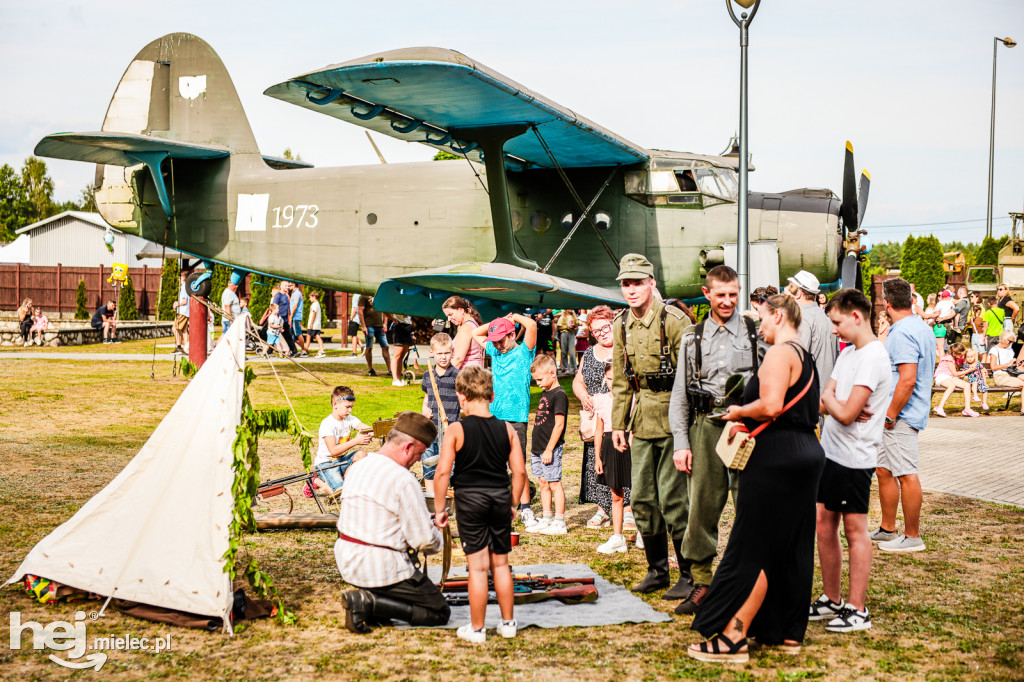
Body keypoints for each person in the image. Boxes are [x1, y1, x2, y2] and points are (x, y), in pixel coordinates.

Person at [687, 294, 824, 663]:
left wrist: (737, 412)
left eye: (761, 318)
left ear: (778, 315)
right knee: (791, 548)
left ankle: (733, 635)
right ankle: (786, 632)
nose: (758, 326)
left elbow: (773, 405)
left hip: (776, 459)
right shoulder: (805, 356)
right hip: (804, 453)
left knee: (754, 547)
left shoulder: (780, 354)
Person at [669, 265, 758, 614]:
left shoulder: (755, 332)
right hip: (705, 427)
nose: (727, 301)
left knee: (749, 505)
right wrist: (681, 442)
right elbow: (679, 393)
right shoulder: (693, 336)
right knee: (701, 507)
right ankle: (702, 582)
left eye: (733, 294)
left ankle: (746, 581)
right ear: (707, 294)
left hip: (745, 427)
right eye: (720, 295)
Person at [810, 289, 891, 634]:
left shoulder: (873, 357)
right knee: (824, 523)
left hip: (855, 459)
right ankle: (832, 599)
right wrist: (834, 401)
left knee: (855, 531)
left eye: (837, 322)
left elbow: (842, 412)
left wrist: (834, 400)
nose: (833, 330)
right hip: (830, 454)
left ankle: (858, 609)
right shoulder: (848, 355)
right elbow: (824, 405)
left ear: (856, 316)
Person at [610, 254, 690, 599]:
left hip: (673, 419)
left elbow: (691, 377)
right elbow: (620, 381)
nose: (631, 290)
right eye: (626, 284)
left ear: (651, 283)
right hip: (641, 420)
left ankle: (688, 573)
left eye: (637, 282)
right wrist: (617, 424)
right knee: (642, 498)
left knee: (674, 500)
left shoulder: (674, 320)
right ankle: (657, 570)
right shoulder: (620, 325)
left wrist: (688, 428)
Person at [432, 367, 528, 643]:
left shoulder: (456, 430)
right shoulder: (507, 428)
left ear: (461, 399)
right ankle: (508, 623)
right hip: (499, 498)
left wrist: (441, 510)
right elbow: (519, 473)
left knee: (477, 568)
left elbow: (441, 473)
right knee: (501, 564)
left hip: (469, 500)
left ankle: (477, 629)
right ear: (493, 395)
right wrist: (512, 503)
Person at [336, 412, 449, 634]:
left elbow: (379, 518)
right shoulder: (403, 479)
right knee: (438, 611)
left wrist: (424, 521)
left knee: (390, 613)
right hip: (379, 565)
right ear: (408, 447)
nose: (418, 460)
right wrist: (436, 533)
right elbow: (425, 540)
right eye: (419, 454)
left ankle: (372, 602)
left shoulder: (357, 467)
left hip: (348, 561)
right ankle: (368, 602)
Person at [871, 277, 935, 553]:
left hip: (900, 414)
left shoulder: (902, 332)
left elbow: (907, 379)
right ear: (912, 300)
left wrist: (890, 414)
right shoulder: (921, 327)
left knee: (906, 473)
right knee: (884, 470)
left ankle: (912, 536)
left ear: (886, 304)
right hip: (901, 412)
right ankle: (888, 529)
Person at [471, 313, 537, 521]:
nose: (497, 345)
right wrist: (498, 321)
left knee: (518, 465)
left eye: (501, 340)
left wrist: (514, 317)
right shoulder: (494, 350)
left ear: (512, 335)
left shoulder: (525, 352)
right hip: (495, 416)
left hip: (517, 417)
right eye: (495, 342)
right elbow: (475, 332)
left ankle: (526, 508)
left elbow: (533, 324)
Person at [573, 306, 633, 532]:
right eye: (595, 331)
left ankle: (628, 509)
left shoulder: (626, 348)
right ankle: (602, 508)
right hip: (596, 419)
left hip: (622, 416)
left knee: (623, 460)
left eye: (604, 327)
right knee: (596, 460)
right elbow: (578, 381)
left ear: (613, 324)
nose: (601, 333)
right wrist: (584, 396)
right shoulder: (589, 353)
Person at [525, 355, 569, 535]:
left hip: (550, 449)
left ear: (552, 373)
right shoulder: (546, 392)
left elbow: (559, 425)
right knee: (543, 482)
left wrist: (550, 448)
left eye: (540, 379)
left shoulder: (559, 395)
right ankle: (546, 517)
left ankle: (559, 522)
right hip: (538, 449)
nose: (538, 384)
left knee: (554, 483)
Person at [593, 359, 631, 554]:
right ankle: (618, 537)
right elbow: (598, 431)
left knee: (640, 493)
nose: (612, 383)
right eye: (608, 379)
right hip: (609, 445)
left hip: (630, 444)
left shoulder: (633, 399)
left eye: (616, 379)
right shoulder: (600, 399)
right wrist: (598, 458)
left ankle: (643, 533)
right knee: (616, 494)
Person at [314, 386, 373, 497]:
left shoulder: (349, 418)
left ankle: (345, 482)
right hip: (326, 464)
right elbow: (333, 451)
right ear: (335, 404)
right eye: (347, 407)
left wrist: (377, 431)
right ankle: (317, 482)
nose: (350, 411)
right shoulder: (327, 424)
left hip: (342, 461)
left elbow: (366, 428)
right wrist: (356, 441)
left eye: (351, 407)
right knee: (344, 495)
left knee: (362, 455)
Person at [786, 270, 838, 394]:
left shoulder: (801, 318)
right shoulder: (828, 318)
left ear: (798, 294)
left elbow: (797, 358)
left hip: (808, 393)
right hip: (827, 392)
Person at [420, 333, 460, 482]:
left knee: (448, 468)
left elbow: (463, 401)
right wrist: (424, 408)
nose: (443, 357)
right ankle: (432, 499)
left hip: (449, 429)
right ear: (431, 353)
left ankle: (447, 497)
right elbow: (426, 397)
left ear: (452, 352)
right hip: (430, 429)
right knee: (429, 468)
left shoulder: (457, 375)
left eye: (447, 353)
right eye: (439, 353)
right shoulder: (427, 375)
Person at [441, 296, 485, 370]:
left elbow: (458, 359)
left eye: (450, 314)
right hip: (475, 373)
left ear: (461, 310)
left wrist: (443, 375)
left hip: (466, 375)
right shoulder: (474, 324)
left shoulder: (466, 328)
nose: (449, 319)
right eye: (447, 316)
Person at [933, 343, 975, 418]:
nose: (962, 357)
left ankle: (967, 409)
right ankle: (939, 407)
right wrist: (968, 371)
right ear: (954, 353)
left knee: (967, 385)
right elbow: (955, 373)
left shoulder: (956, 357)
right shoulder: (948, 358)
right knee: (951, 386)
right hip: (941, 376)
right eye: (960, 355)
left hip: (950, 377)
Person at [989, 332, 1024, 413]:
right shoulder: (994, 350)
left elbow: (1011, 365)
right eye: (1010, 341)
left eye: (1012, 342)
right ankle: (1023, 409)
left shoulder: (1010, 349)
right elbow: (993, 367)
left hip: (1011, 374)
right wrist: (1008, 364)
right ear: (1004, 339)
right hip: (1000, 375)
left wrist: (1017, 363)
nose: (1011, 343)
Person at [358, 295, 391, 377]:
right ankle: (370, 369)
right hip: (369, 326)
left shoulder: (379, 294)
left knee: (385, 347)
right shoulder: (363, 296)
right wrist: (363, 326)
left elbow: (385, 310)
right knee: (369, 347)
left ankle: (390, 369)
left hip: (380, 326)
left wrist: (385, 324)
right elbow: (360, 311)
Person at [389, 313, 415, 386]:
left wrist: (412, 333)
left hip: (407, 327)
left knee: (401, 356)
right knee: (397, 355)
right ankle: (395, 379)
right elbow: (385, 311)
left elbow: (410, 319)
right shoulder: (397, 303)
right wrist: (393, 319)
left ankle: (399, 379)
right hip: (399, 326)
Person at [272, 281, 297, 356]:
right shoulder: (278, 296)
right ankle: (268, 351)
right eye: (285, 286)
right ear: (281, 286)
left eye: (288, 286)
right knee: (274, 335)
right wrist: (276, 320)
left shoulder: (286, 296)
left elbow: (288, 308)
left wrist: (289, 318)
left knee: (288, 335)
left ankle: (294, 351)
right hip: (279, 318)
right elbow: (274, 307)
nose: (287, 287)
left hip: (285, 319)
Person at [556, 309, 579, 373]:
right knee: (564, 351)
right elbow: (559, 327)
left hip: (571, 334)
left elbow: (577, 326)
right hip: (564, 333)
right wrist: (566, 328)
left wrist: (574, 328)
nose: (570, 310)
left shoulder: (574, 317)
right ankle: (565, 367)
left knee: (572, 352)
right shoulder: (562, 317)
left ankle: (574, 367)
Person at [304, 291, 326, 358]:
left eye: (310, 297)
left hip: (313, 325)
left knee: (308, 336)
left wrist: (311, 323)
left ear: (314, 297)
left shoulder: (315, 305)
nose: (310, 299)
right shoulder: (317, 304)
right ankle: (322, 350)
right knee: (317, 337)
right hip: (316, 325)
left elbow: (314, 314)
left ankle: (305, 351)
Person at [288, 282, 307, 357]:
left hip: (295, 317)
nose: (288, 286)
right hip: (295, 317)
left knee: (298, 334)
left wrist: (291, 316)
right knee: (292, 335)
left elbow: (295, 306)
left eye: (290, 284)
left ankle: (304, 351)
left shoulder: (296, 293)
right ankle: (293, 350)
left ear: (294, 285)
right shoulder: (294, 293)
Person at [173, 272, 190, 354]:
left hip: (182, 311)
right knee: (184, 331)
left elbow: (184, 301)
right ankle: (186, 348)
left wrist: (177, 304)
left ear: (182, 279)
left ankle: (179, 347)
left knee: (175, 328)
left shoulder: (183, 287)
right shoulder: (187, 287)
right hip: (186, 312)